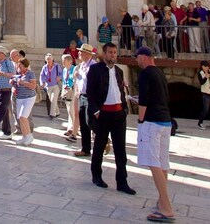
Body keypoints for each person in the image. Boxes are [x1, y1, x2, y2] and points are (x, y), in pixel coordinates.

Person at [87, 42, 135, 194]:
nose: (112, 55)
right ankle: (96, 176)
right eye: (110, 52)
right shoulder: (95, 70)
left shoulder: (119, 71)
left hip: (118, 113)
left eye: (114, 52)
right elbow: (91, 92)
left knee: (120, 148)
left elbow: (120, 90)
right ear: (104, 53)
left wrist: (125, 108)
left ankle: (122, 181)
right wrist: (95, 111)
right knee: (100, 146)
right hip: (103, 114)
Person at [135, 46, 175, 222]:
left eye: (137, 58)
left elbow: (144, 99)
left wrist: (140, 119)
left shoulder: (145, 74)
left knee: (153, 162)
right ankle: (161, 200)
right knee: (162, 162)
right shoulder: (160, 73)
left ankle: (166, 207)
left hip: (151, 121)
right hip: (165, 121)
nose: (136, 61)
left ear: (143, 57)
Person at [72, 43, 96, 157]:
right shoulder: (81, 65)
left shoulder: (93, 66)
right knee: (83, 122)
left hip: (91, 96)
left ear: (87, 54)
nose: (79, 53)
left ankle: (103, 137)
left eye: (81, 52)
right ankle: (85, 149)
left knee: (89, 121)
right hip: (81, 95)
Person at [11, 58, 38, 146]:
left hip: (29, 98)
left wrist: (23, 83)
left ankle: (29, 136)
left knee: (23, 117)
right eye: (18, 65)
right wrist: (13, 84)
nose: (18, 66)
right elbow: (15, 83)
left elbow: (33, 86)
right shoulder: (18, 74)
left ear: (25, 66)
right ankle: (24, 136)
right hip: (20, 98)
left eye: (20, 65)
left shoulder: (31, 74)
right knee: (20, 117)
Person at [40, 53, 62, 119]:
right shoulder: (44, 67)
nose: (48, 61)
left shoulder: (56, 66)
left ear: (52, 60)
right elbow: (42, 76)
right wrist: (42, 83)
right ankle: (57, 112)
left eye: (49, 59)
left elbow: (62, 73)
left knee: (53, 99)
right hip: (48, 87)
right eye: (47, 59)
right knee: (53, 100)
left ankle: (52, 114)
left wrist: (59, 77)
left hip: (56, 86)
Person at [61, 53, 77, 140]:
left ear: (69, 61)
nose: (62, 62)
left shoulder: (74, 69)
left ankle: (73, 129)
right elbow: (64, 80)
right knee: (69, 111)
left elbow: (75, 80)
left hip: (73, 91)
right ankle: (70, 128)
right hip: (66, 91)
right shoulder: (64, 70)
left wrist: (70, 86)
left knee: (72, 110)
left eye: (64, 60)